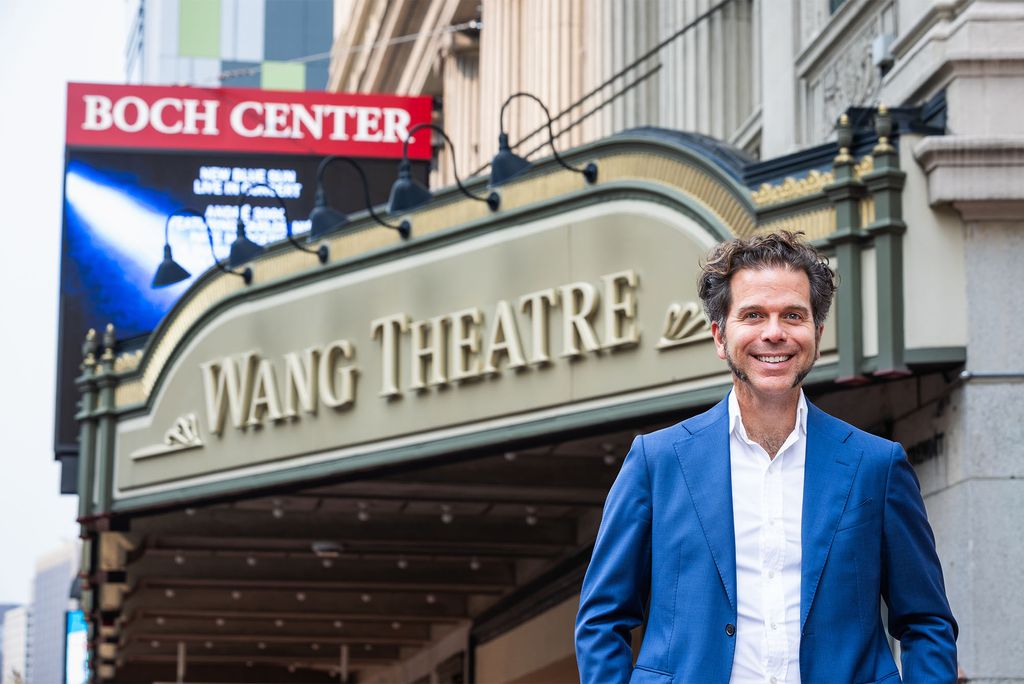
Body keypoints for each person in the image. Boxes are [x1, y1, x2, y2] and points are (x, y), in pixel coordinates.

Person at [575, 231, 957, 683]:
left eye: (792, 315)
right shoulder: (656, 462)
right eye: (753, 315)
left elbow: (926, 621)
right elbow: (602, 621)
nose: (774, 333)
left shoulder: (877, 466)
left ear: (816, 333)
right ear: (720, 336)